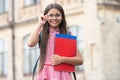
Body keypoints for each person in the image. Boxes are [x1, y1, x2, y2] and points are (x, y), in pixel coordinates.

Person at [27, 3, 83, 80]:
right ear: (46, 17)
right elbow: (30, 43)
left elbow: (80, 60)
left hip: (63, 75)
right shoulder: (42, 33)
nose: (54, 18)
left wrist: (62, 59)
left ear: (62, 17)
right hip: (45, 74)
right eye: (51, 15)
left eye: (57, 15)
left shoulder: (67, 34)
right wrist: (40, 23)